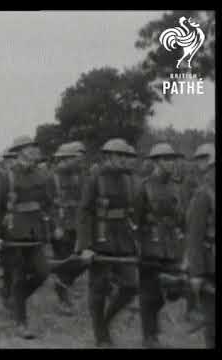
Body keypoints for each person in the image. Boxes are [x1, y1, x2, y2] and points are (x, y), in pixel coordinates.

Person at [75, 138, 139, 347]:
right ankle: (100, 334)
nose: (123, 160)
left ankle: (105, 321)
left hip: (124, 240)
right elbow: (84, 212)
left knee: (131, 286)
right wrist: (85, 246)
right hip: (100, 239)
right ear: (109, 156)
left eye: (125, 156)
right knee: (99, 287)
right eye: (119, 156)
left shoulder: (129, 180)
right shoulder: (95, 179)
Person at [0, 136, 51, 339]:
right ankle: (21, 322)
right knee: (18, 276)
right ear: (21, 151)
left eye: (34, 146)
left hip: (34, 232)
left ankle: (16, 300)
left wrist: (48, 225)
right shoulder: (7, 177)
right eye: (30, 147)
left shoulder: (41, 175)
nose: (34, 150)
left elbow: (47, 202)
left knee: (43, 272)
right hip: (12, 232)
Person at [134, 143, 187, 348]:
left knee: (174, 289)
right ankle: (149, 336)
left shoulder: (176, 186)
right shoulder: (144, 186)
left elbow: (181, 218)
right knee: (149, 293)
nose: (171, 163)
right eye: (166, 159)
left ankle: (153, 326)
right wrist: (138, 247)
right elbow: (135, 220)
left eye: (173, 159)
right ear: (155, 162)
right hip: (150, 245)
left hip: (172, 246)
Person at [47, 142, 87, 316]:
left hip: (77, 224)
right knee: (63, 261)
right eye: (76, 157)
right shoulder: (51, 178)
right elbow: (47, 205)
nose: (80, 160)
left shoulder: (80, 176)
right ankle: (63, 300)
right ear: (65, 159)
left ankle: (64, 282)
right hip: (60, 225)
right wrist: (56, 225)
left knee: (81, 260)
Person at [184, 150, 215, 348]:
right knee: (212, 321)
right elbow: (194, 237)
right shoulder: (204, 195)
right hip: (210, 262)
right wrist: (196, 273)